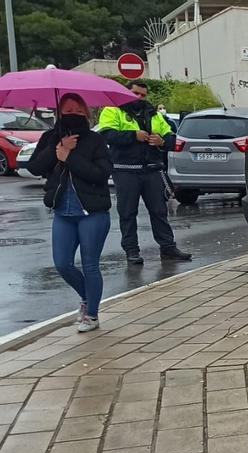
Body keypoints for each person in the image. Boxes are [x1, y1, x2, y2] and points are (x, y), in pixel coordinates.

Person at [27, 94, 114, 333]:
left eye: (77, 109)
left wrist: (71, 157)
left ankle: (92, 316)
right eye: (67, 109)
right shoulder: (50, 138)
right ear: (58, 112)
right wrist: (58, 150)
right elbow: (34, 167)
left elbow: (101, 173)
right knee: (62, 264)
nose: (72, 113)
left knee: (90, 265)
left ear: (85, 113)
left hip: (92, 212)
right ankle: (88, 298)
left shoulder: (95, 140)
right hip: (63, 212)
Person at [98, 80, 192, 265]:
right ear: (127, 92)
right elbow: (107, 135)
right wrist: (134, 136)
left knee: (159, 211)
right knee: (127, 213)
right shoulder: (113, 110)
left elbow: (171, 138)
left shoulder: (154, 113)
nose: (139, 97)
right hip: (126, 170)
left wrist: (162, 142)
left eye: (142, 94)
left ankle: (168, 248)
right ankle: (131, 251)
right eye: (135, 93)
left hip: (151, 169)